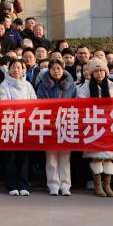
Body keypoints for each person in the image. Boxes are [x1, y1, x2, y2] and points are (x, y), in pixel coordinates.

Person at [77, 58, 113, 197]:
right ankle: (97, 185)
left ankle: (107, 185)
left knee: (109, 157)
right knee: (96, 157)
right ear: (91, 73)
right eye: (96, 71)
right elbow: (82, 106)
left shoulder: (112, 86)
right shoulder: (85, 87)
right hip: (93, 125)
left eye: (101, 70)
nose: (99, 73)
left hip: (109, 126)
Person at [35, 59, 77, 196]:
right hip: (49, 123)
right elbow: (40, 103)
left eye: (58, 68)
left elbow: (76, 103)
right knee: (51, 156)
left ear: (63, 69)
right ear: (49, 70)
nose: (56, 71)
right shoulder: (42, 85)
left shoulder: (71, 85)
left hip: (66, 122)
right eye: (53, 69)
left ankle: (65, 185)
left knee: (65, 156)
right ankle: (53, 184)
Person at [0, 59, 36, 196]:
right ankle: (11, 184)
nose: (16, 70)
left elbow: (34, 102)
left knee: (24, 157)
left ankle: (23, 184)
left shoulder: (28, 85)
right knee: (10, 157)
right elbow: (4, 103)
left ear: (23, 69)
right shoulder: (4, 84)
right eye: (13, 67)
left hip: (25, 124)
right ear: (9, 69)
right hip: (10, 123)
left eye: (19, 67)